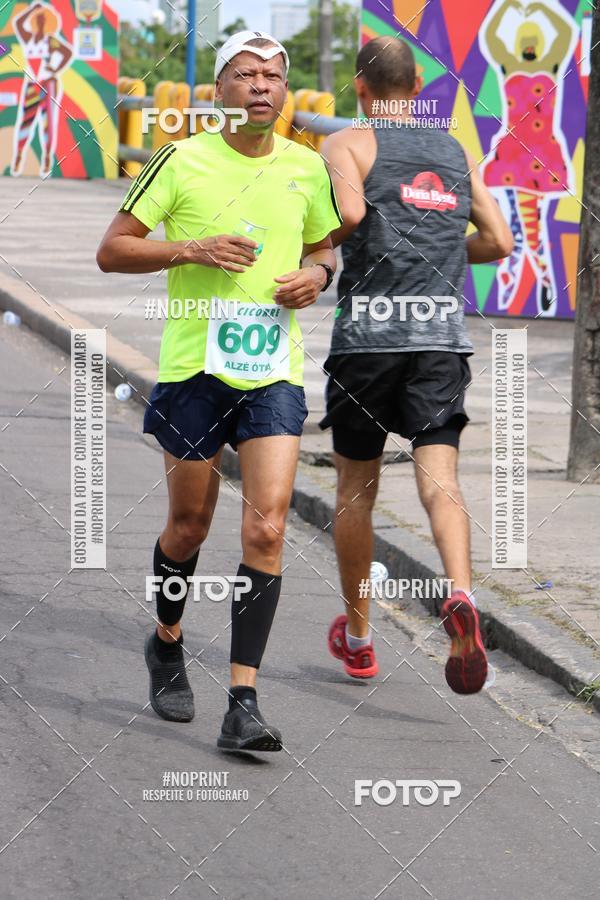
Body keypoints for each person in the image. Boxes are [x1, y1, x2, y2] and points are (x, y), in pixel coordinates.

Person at [97, 31, 341, 750]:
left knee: (267, 526)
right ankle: (167, 642)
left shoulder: (307, 167)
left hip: (272, 371)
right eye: (246, 74)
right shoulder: (181, 159)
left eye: (273, 76)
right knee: (189, 528)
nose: (262, 86)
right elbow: (112, 250)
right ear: (220, 90)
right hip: (193, 371)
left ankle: (244, 700)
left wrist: (319, 276)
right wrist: (190, 248)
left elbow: (326, 246)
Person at [320, 36, 513, 694]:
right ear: (420, 87)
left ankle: (361, 638)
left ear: (362, 89)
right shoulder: (455, 150)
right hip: (440, 339)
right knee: (441, 481)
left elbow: (347, 213)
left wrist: (305, 243)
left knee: (355, 492)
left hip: (368, 341)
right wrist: (438, 249)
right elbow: (499, 241)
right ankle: (460, 593)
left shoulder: (348, 142)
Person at [481, 0, 576, 314]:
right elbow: (493, 38)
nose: (531, 45)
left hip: (540, 154)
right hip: (513, 153)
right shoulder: (511, 67)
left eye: (535, 40)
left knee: (525, 226)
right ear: (520, 45)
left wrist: (540, 7)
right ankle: (538, 280)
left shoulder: (549, 67)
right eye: (526, 41)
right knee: (523, 224)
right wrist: (507, 5)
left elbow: (564, 35)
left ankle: (525, 278)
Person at [11, 1, 73, 177]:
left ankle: (46, 157)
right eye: (38, 19)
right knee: (26, 120)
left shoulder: (51, 40)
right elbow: (17, 23)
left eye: (43, 20)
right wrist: (32, 9)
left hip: (48, 83)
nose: (40, 23)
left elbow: (67, 52)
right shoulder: (27, 38)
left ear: (49, 23)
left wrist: (56, 69)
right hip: (32, 84)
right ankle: (19, 156)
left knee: (48, 123)